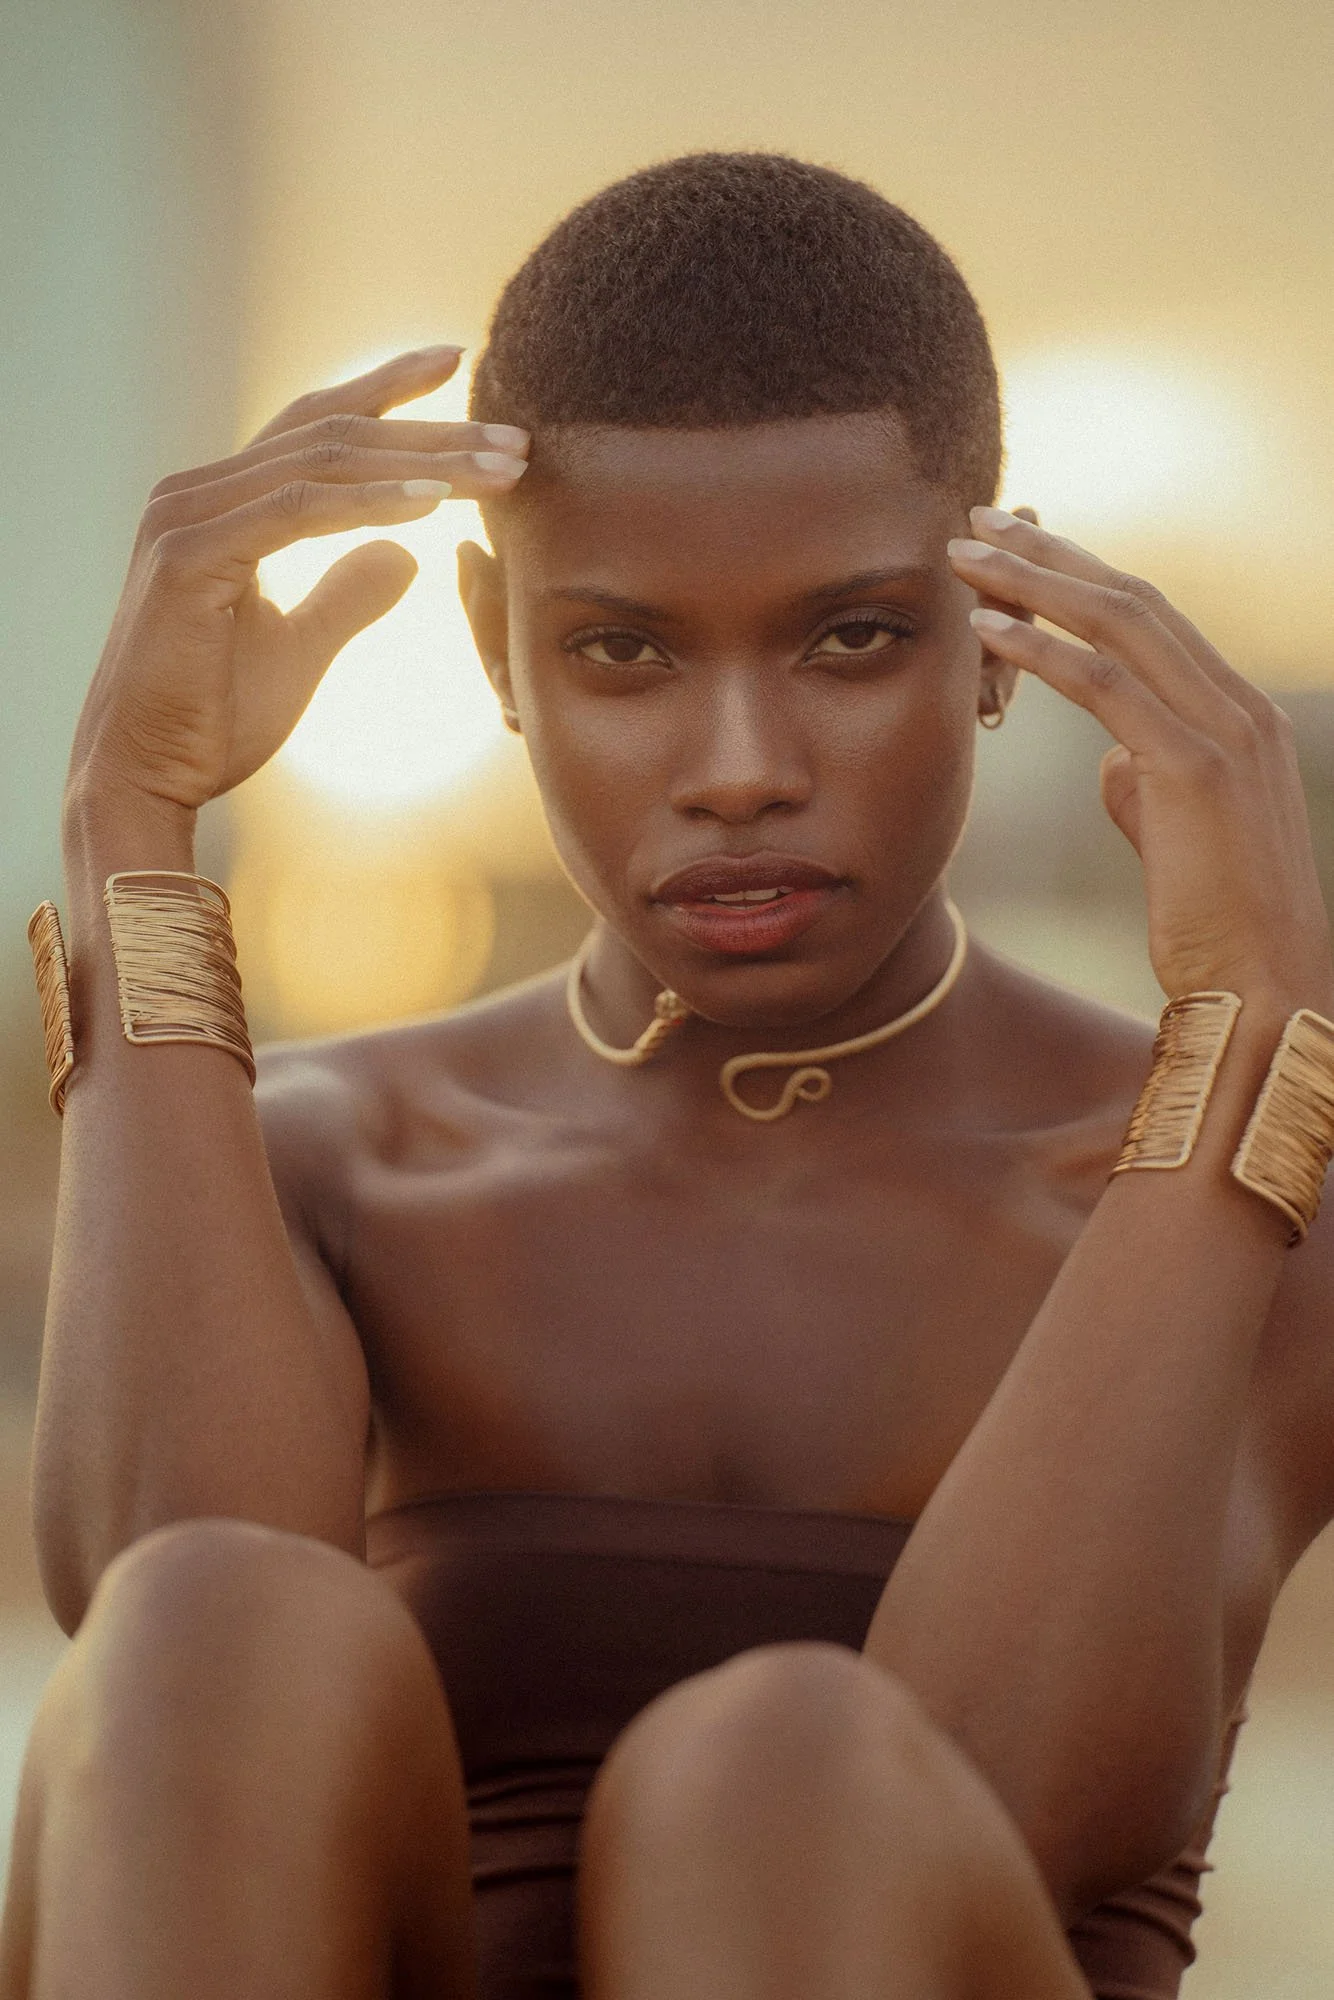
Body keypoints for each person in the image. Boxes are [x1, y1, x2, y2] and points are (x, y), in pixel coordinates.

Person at [2, 151, 1332, 2000]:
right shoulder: (337, 1159)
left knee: (775, 1768)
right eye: (620, 651)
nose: (737, 769)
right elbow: (149, 1699)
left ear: (998, 635)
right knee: (207, 1618)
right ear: (495, 648)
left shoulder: (1242, 1188)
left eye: (851, 638)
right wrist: (125, 823)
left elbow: (1002, 1799)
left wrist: (1254, 1032)